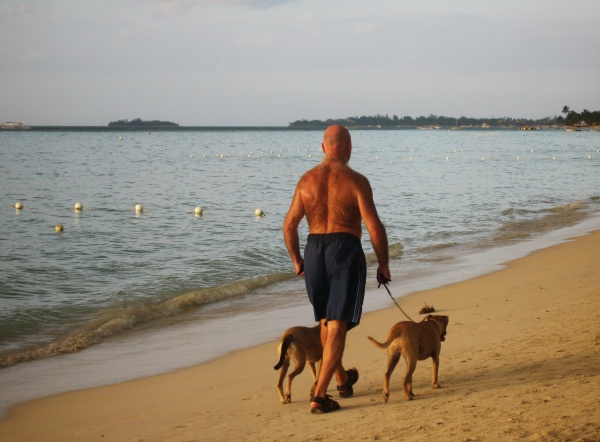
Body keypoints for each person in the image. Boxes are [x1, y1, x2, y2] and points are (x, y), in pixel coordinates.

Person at [283, 125, 391, 414]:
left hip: (314, 249)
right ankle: (320, 394)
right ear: (349, 147)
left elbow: (289, 225)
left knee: (326, 320)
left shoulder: (306, 180)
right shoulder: (357, 181)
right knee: (338, 324)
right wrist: (383, 264)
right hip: (344, 249)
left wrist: (297, 260)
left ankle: (342, 380)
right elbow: (374, 227)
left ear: (323, 147)